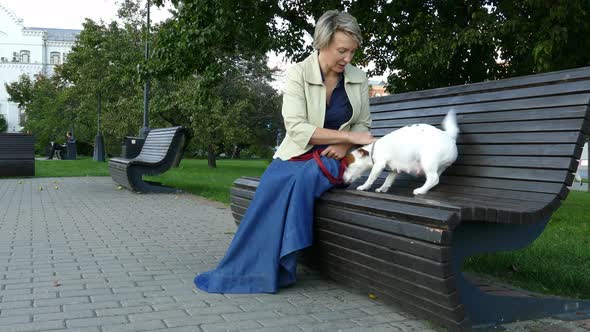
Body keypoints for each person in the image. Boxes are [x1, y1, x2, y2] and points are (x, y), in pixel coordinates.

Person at [194, 9, 374, 294]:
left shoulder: (358, 78)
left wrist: (344, 143)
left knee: (305, 178)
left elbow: (364, 125)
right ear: (322, 43)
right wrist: (350, 134)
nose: (348, 59)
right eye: (342, 51)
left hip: (340, 157)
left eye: (352, 52)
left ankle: (284, 261)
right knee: (271, 186)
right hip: (298, 151)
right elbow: (297, 128)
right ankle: (248, 270)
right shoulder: (298, 73)